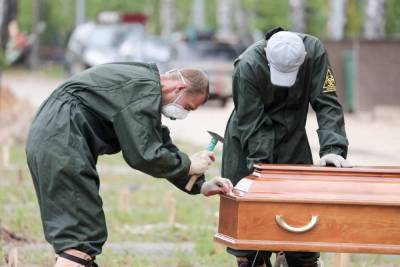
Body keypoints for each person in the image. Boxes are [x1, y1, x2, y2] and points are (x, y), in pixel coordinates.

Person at [26, 62, 233, 267]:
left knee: (78, 234)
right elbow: (145, 154)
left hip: (56, 135)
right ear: (180, 88)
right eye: (187, 107)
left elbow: (155, 142)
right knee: (80, 236)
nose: (183, 114)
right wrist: (188, 164)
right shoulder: (143, 91)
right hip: (61, 139)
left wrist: (201, 185)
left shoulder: (143, 88)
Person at [221, 27, 351, 267]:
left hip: (293, 139)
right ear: (268, 59)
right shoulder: (247, 65)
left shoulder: (314, 52)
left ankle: (297, 259)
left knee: (301, 221)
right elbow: (253, 122)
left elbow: (327, 103)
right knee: (250, 232)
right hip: (247, 143)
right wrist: (262, 173)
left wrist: (333, 148)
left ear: (302, 61)